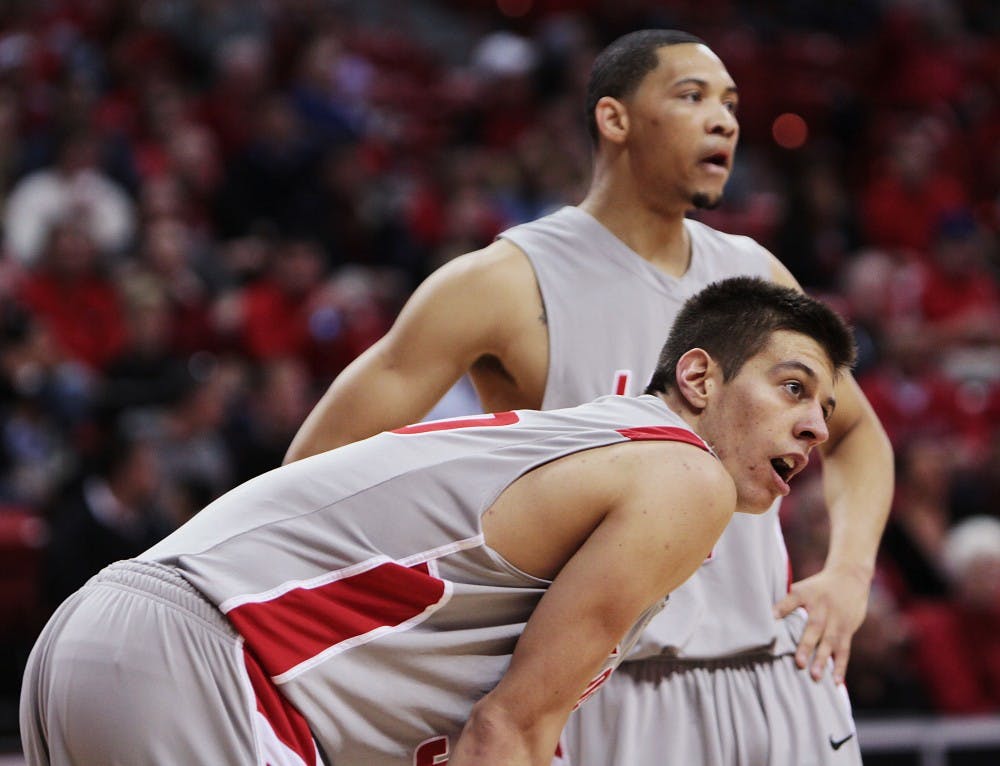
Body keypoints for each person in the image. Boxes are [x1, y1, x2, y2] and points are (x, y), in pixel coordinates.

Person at [283, 29, 894, 765]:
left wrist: (849, 574)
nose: (726, 120)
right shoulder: (503, 282)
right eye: (692, 96)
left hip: (774, 673)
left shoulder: (756, 275)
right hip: (606, 694)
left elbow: (857, 433)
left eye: (731, 103)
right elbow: (310, 475)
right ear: (615, 119)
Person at [21, 278, 854, 766]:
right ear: (700, 378)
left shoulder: (595, 437)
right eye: (792, 387)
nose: (817, 426)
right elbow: (508, 730)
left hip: (105, 641)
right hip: (210, 663)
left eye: (825, 405)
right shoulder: (684, 477)